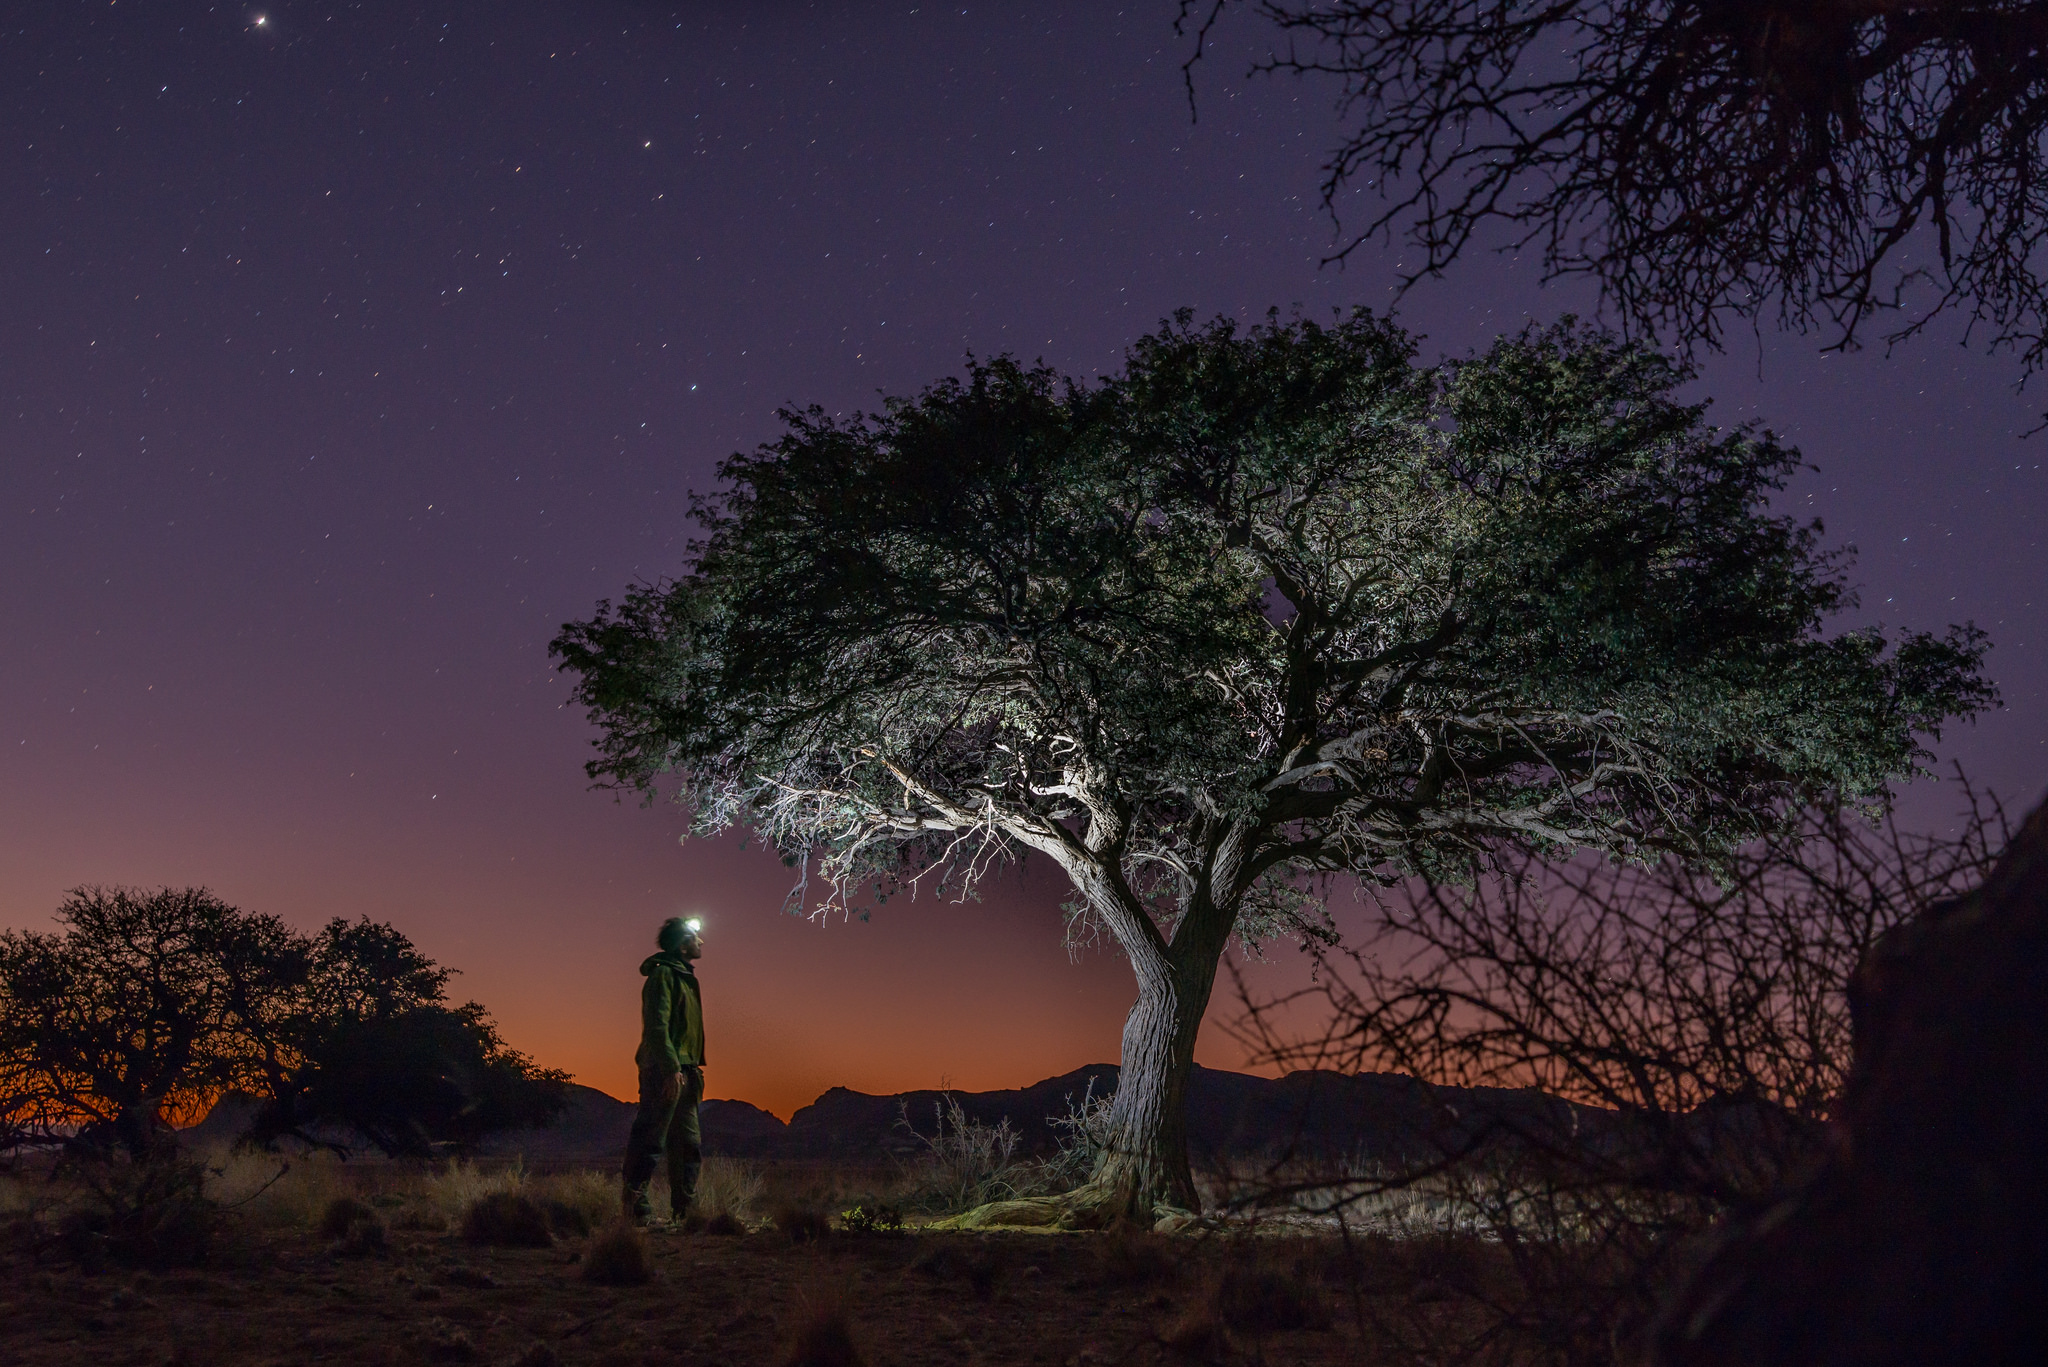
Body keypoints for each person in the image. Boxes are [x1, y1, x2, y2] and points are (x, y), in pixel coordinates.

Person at [621, 915, 706, 1225]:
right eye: (696, 937)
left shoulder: (683, 977)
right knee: (651, 1138)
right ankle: (635, 1209)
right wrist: (670, 1068)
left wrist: (687, 1069)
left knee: (688, 1144)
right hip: (664, 1070)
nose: (701, 942)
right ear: (683, 943)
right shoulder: (663, 977)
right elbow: (657, 1026)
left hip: (686, 1071)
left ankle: (686, 1213)